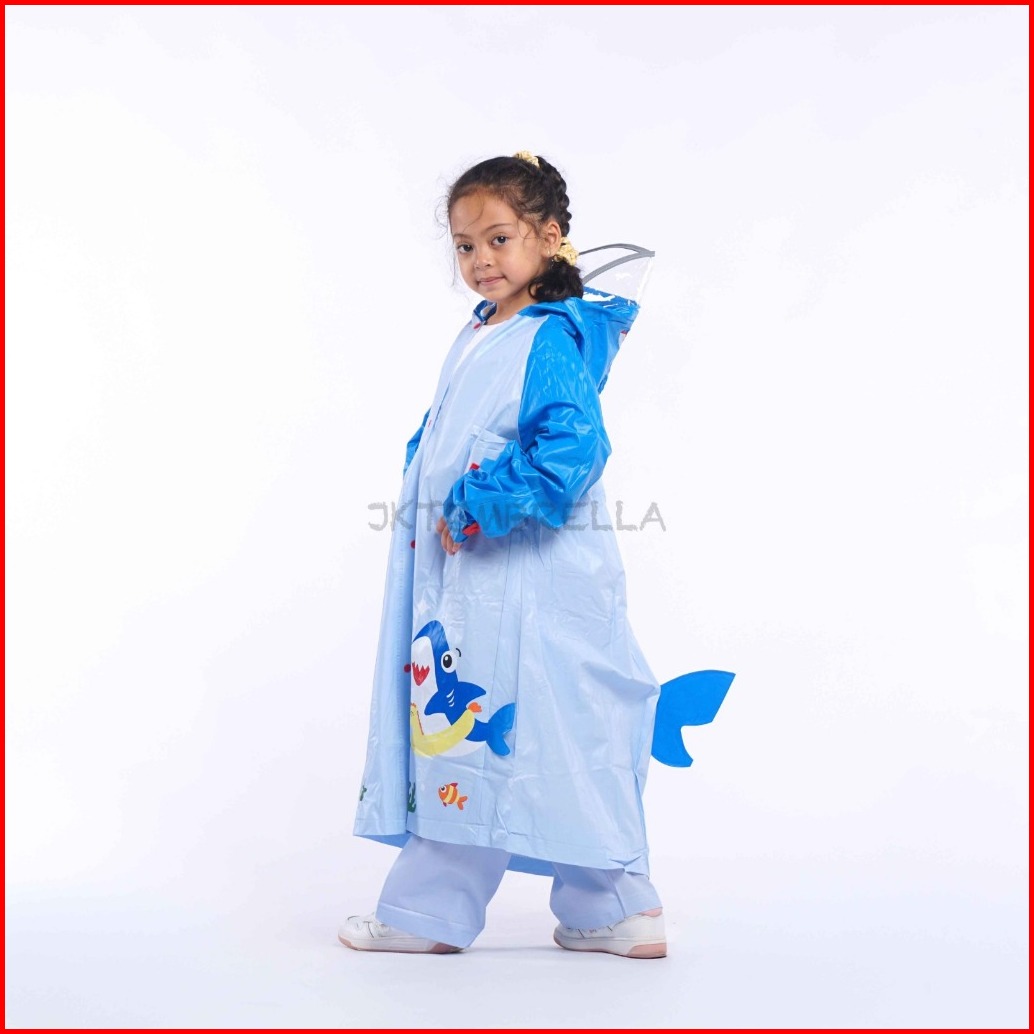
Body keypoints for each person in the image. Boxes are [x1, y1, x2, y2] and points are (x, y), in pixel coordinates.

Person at [343, 151, 667, 959]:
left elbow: (572, 449)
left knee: (481, 727)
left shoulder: (547, 335)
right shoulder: (489, 330)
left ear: (549, 238)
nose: (480, 259)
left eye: (498, 239)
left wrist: (479, 503)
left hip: (521, 575)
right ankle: (612, 909)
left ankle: (429, 914)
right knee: (547, 729)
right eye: (464, 245)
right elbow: (460, 427)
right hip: (488, 578)